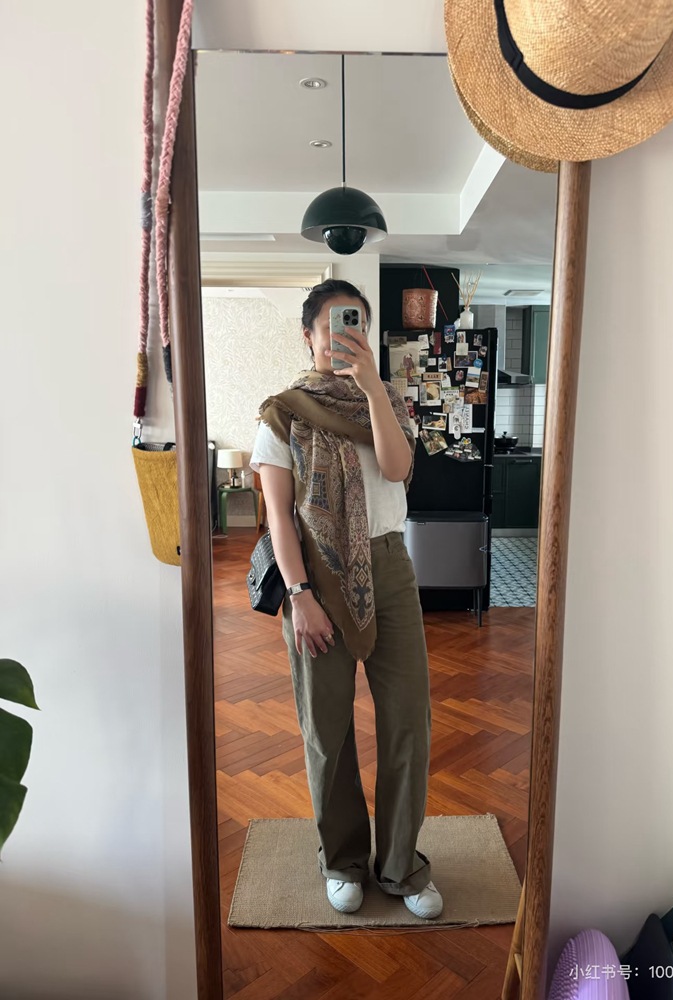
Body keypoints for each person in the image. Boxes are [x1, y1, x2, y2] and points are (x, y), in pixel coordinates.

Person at [250, 279, 442, 920]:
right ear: (308, 335)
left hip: (390, 570)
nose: (342, 338)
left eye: (354, 323)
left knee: (408, 720)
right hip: (316, 576)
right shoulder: (283, 413)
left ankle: (401, 865)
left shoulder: (384, 402)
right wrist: (300, 595)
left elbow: (396, 469)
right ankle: (343, 860)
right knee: (327, 728)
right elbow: (280, 518)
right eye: (332, 326)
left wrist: (373, 391)